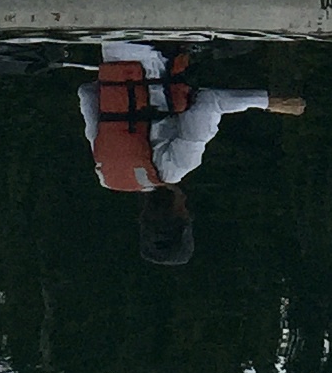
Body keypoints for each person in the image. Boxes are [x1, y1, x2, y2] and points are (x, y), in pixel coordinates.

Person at [79, 39, 304, 266]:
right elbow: (87, 93)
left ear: (183, 214)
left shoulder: (177, 168)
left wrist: (269, 102)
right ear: (143, 217)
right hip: (110, 46)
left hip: (154, 42)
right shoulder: (106, 176)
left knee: (244, 46)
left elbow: (209, 102)